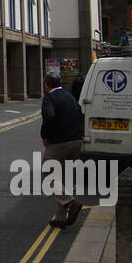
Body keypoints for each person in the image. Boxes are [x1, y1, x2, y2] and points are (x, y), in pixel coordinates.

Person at [40, 72, 84, 229]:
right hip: (76, 142)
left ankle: (71, 203)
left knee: (48, 175)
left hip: (59, 143)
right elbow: (81, 114)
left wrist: (46, 135)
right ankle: (60, 217)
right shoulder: (69, 96)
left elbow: (49, 117)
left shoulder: (49, 98)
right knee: (64, 179)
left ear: (46, 85)